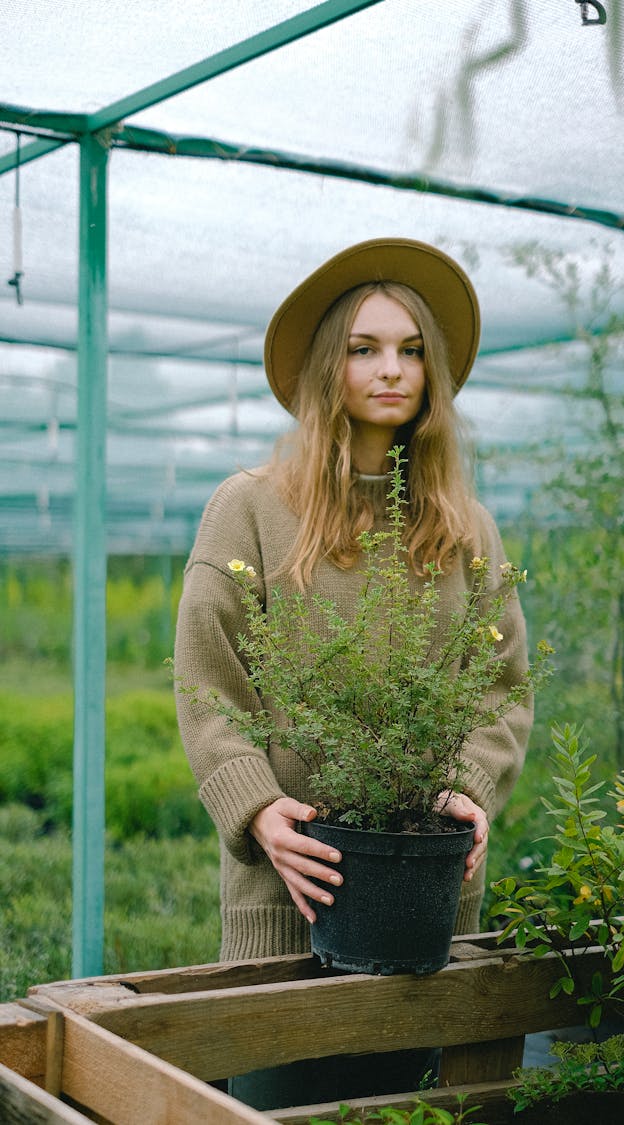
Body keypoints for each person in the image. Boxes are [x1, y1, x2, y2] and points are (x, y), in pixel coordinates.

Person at [173, 237, 533, 1107]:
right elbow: (207, 678)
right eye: (366, 348)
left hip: (427, 911)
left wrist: (467, 787)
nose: (391, 369)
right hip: (287, 896)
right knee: (281, 1100)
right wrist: (259, 810)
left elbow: (505, 684)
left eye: (412, 350)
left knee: (416, 1105)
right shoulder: (251, 507)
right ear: (328, 364)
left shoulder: (466, 529)